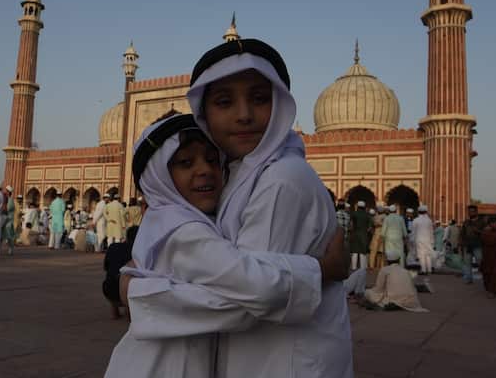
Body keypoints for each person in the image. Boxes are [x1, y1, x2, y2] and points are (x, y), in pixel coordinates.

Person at [118, 39, 354, 377]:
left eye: (259, 98)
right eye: (224, 102)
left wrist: (133, 291)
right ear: (204, 115)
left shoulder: (280, 180)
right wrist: (320, 270)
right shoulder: (240, 175)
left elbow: (249, 301)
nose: (243, 115)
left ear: (281, 105)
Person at [104, 225, 139, 319]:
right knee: (131, 278)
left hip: (108, 289)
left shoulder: (113, 246)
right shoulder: (138, 251)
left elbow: (106, 267)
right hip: (125, 292)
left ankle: (114, 311)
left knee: (113, 276)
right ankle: (129, 311)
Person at [460, 204, 485, 284]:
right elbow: (462, 233)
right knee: (467, 263)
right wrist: (460, 243)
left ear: (476, 212)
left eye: (472, 212)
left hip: (478, 244)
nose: (470, 213)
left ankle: (485, 277)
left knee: (480, 261)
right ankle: (469, 279)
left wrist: (477, 231)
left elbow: (486, 233)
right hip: (468, 245)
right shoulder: (466, 222)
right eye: (469, 212)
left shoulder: (482, 222)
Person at [480, 216, 496, 298]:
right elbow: (490, 241)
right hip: (488, 256)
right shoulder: (486, 232)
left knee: (495, 274)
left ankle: (493, 291)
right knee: (487, 274)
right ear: (491, 224)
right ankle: (490, 290)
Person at [412, 205, 434, 275]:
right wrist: (432, 241)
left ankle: (423, 270)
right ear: (426, 212)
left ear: (418, 212)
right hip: (428, 240)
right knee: (428, 254)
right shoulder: (429, 221)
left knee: (421, 255)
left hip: (419, 239)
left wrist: (412, 241)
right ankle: (429, 269)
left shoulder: (416, 220)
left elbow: (413, 232)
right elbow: (431, 232)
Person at [349, 200, 371, 270]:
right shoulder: (367, 215)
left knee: (355, 251)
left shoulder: (354, 214)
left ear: (358, 206)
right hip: (363, 234)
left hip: (355, 233)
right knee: (363, 251)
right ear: (364, 207)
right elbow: (370, 227)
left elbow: (351, 225)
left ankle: (354, 267)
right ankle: (362, 267)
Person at [368, 205, 387, 269]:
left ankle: (371, 265)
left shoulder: (375, 217)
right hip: (383, 234)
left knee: (373, 251)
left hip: (376, 234)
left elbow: (374, 224)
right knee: (381, 252)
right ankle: (381, 266)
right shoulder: (386, 217)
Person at [1, 186, 16, 256]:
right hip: (4, 219)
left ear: (8, 192)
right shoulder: (6, 199)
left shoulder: (10, 200)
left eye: (5, 191)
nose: (4, 192)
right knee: (0, 235)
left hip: (8, 220)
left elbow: (6, 209)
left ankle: (10, 249)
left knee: (9, 236)